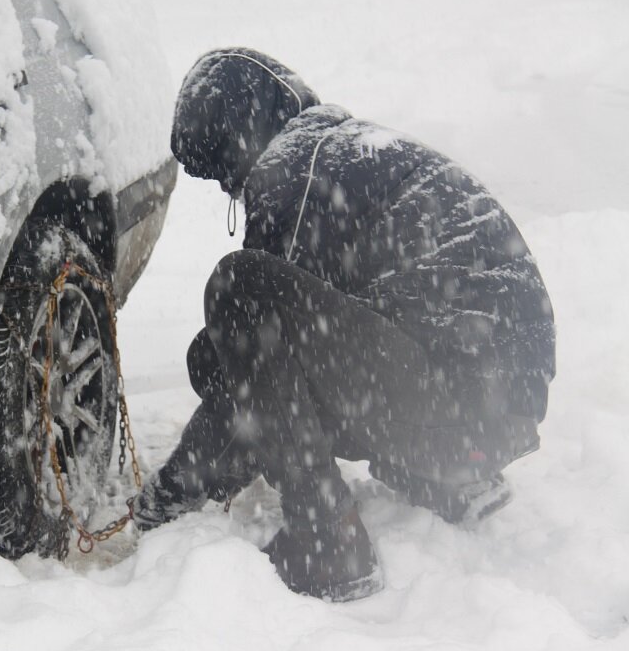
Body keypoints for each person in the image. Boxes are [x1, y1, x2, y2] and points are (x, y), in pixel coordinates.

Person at [131, 48, 555, 602]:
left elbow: (262, 370)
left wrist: (170, 494)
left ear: (242, 132)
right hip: (499, 409)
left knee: (237, 294)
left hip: (447, 390)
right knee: (221, 349)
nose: (231, 189)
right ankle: (451, 478)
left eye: (223, 171)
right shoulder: (348, 151)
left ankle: (326, 543)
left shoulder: (294, 168)